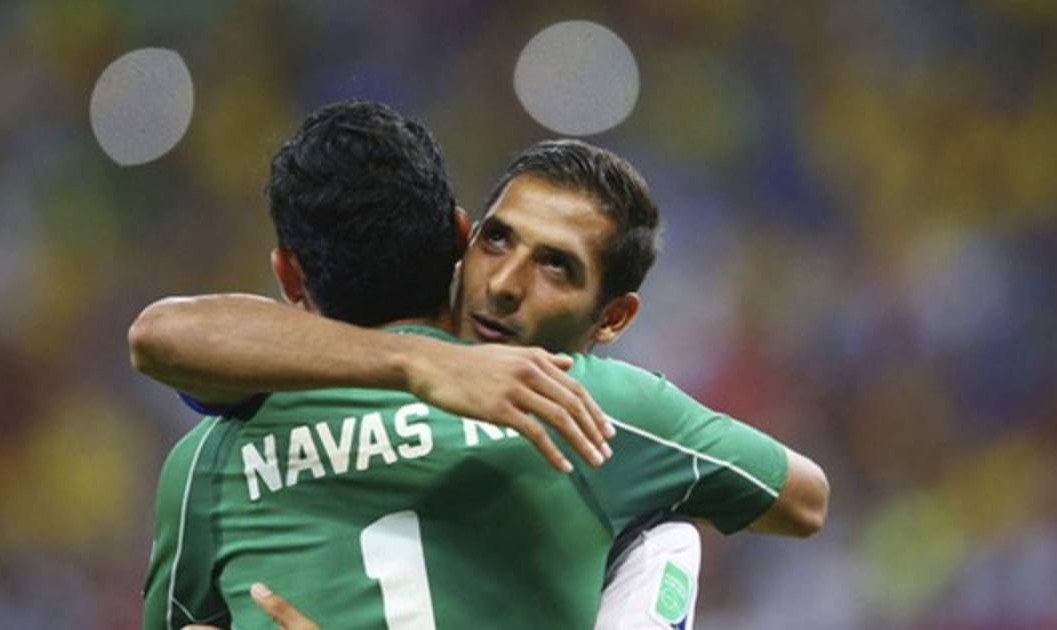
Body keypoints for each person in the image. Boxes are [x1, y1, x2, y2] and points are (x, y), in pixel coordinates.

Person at [135, 100, 828, 629]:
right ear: (463, 237)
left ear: (288, 276)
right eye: (499, 242)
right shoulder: (586, 406)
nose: (504, 284)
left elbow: (160, 334)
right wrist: (422, 363)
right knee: (666, 540)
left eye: (555, 266)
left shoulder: (207, 460)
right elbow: (806, 499)